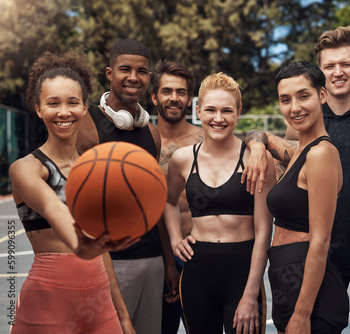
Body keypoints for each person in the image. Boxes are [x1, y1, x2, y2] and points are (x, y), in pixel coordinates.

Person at [245, 26, 350, 333]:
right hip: (321, 257)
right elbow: (275, 147)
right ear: (322, 76)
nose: (337, 72)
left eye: (345, 64)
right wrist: (256, 143)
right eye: (329, 66)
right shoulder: (301, 129)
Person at [9, 51, 137, 333]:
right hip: (48, 303)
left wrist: (123, 315)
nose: (64, 112)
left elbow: (101, 254)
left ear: (83, 107)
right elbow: (54, 208)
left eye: (72, 103)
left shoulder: (96, 169)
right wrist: (83, 245)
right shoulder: (26, 168)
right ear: (39, 109)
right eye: (53, 103)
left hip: (100, 302)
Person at [165, 72, 275, 334]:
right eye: (211, 110)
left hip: (242, 270)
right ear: (198, 111)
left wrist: (249, 295)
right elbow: (168, 202)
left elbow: (263, 232)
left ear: (238, 113)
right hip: (197, 271)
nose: (218, 118)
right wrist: (174, 239)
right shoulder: (182, 159)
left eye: (227, 111)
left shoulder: (256, 159)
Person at [77, 39, 173, 333]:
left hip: (153, 261)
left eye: (142, 71)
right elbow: (79, 208)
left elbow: (154, 204)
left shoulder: (152, 133)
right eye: (125, 69)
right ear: (109, 73)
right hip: (113, 264)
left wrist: (168, 262)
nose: (134, 77)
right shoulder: (88, 124)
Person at [248, 62, 349, 333]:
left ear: (322, 95)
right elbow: (259, 135)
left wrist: (302, 314)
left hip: (310, 297)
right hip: (286, 283)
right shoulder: (298, 151)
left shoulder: (320, 154)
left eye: (304, 96)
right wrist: (257, 145)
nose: (294, 107)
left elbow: (321, 240)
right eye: (285, 100)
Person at [150, 59, 204, 333]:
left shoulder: (206, 140)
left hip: (198, 255)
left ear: (190, 99)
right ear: (154, 96)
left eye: (181, 92)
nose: (174, 98)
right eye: (167, 91)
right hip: (152, 258)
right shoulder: (142, 145)